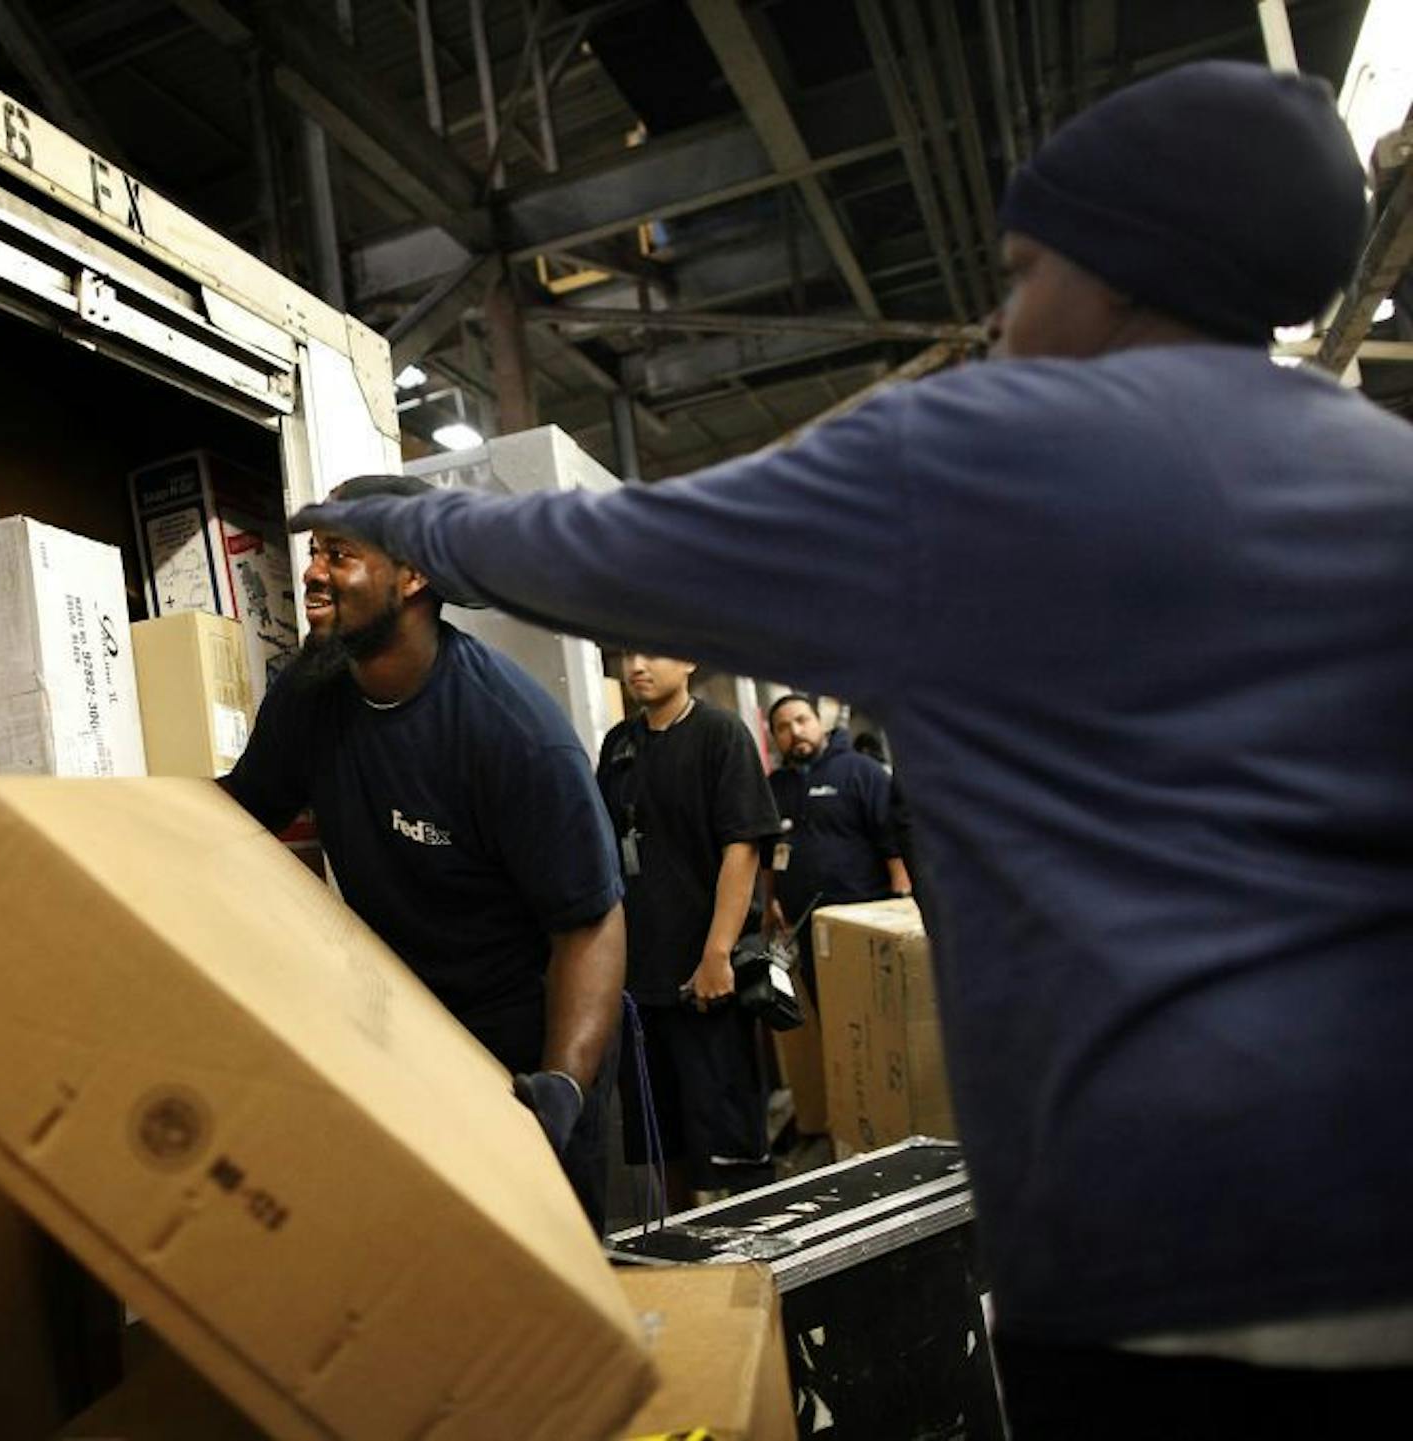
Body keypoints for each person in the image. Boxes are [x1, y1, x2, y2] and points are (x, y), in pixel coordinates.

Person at [288, 62, 1412, 1434]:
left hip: (1170, 1255)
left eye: (1022, 272)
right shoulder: (1383, 477)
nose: (1003, 321)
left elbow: (610, 554)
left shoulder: (983, 456)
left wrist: (411, 524)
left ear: (1118, 272)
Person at [218, 473, 627, 1229]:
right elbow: (240, 811)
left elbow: (591, 923)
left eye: (339, 554)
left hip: (523, 1043)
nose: (312, 571)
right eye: (315, 552)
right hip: (408, 1030)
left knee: (548, 1291)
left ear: (413, 575)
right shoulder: (312, 693)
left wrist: (561, 1083)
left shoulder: (512, 733)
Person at [599, 654, 780, 1209]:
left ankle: (757, 1262)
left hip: (706, 978)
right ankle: (685, 1260)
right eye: (628, 655)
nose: (636, 665)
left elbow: (742, 847)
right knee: (661, 1140)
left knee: (727, 1142)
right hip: (640, 979)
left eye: (651, 652)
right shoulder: (619, 746)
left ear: (688, 659)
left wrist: (717, 954)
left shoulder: (720, 734)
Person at [762, 693, 909, 998]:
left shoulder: (860, 771)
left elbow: (894, 843)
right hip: (806, 929)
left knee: (877, 1011)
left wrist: (901, 902)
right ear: (775, 737)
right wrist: (770, 900)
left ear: (820, 723)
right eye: (783, 727)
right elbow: (770, 852)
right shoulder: (774, 787)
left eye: (802, 720)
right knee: (832, 1017)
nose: (795, 732)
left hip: (865, 923)